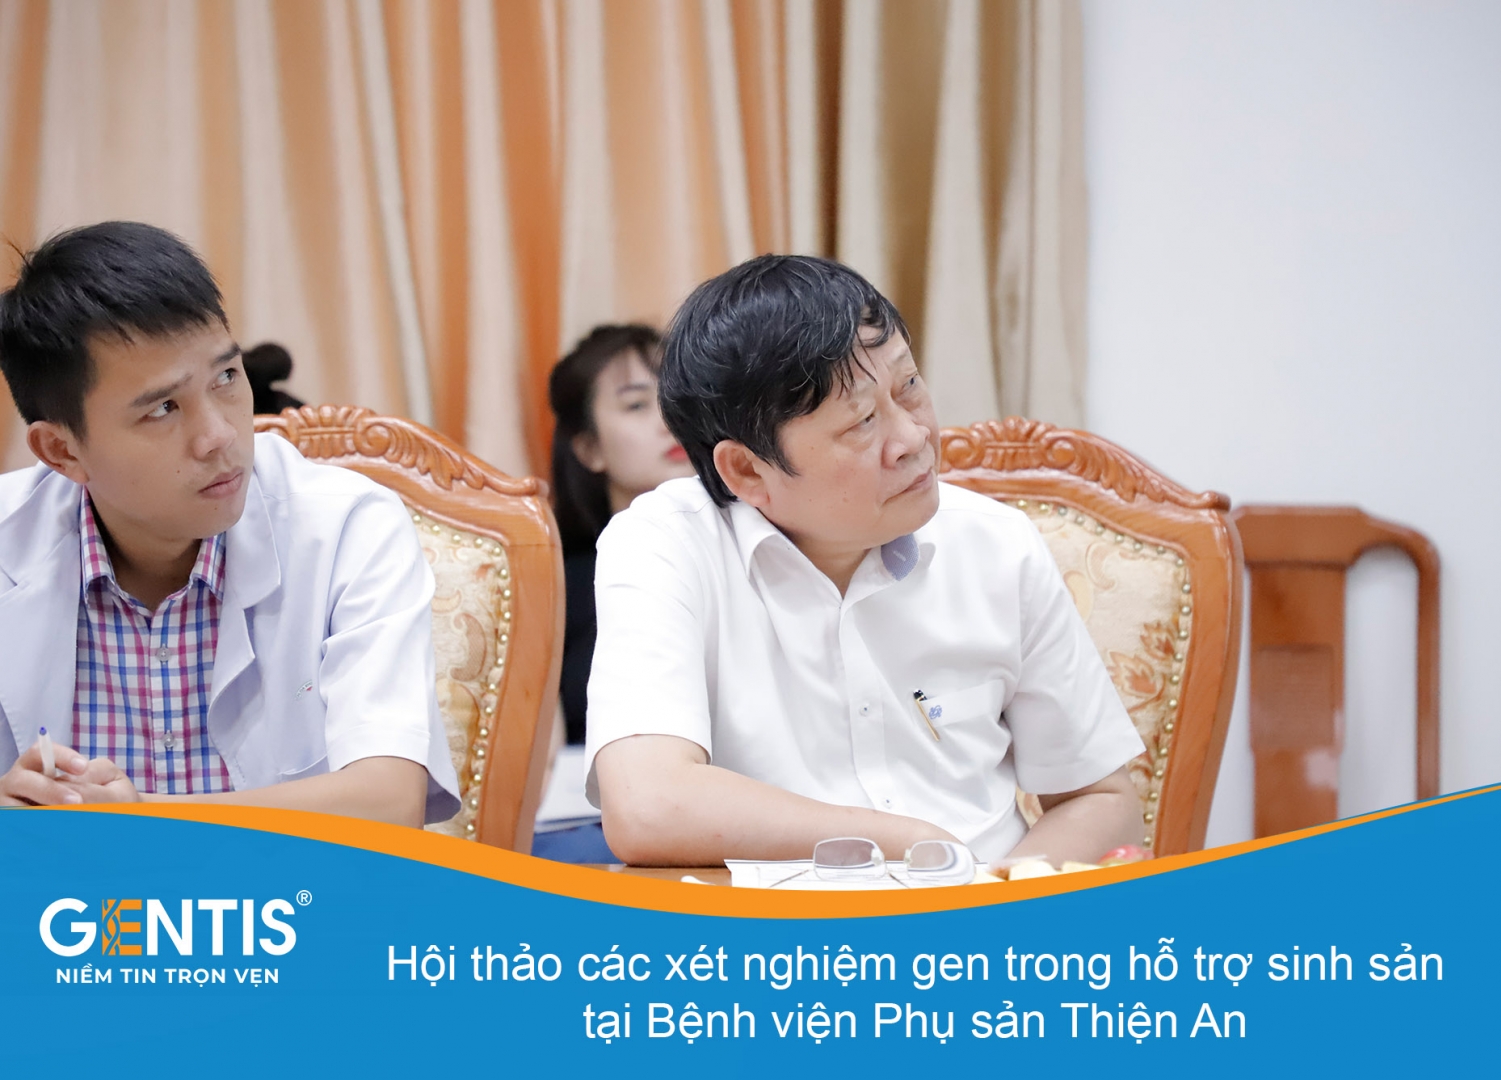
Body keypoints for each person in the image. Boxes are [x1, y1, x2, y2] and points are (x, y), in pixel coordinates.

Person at [585, 254, 1145, 867]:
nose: (914, 438)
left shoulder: (996, 544)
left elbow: (1101, 798)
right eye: (863, 421)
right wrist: (914, 847)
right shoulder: (665, 544)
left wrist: (992, 896)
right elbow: (649, 805)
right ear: (747, 470)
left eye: (909, 386)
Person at [0, 221, 459, 824]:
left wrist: (132, 820)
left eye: (226, 378)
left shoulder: (347, 527)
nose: (219, 436)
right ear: (63, 451)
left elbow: (388, 805)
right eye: (163, 408)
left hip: (294, 887)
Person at [548, 324, 695, 746]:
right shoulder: (555, 585)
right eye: (636, 405)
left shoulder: (761, 547)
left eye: (678, 397)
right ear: (590, 449)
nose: (669, 420)